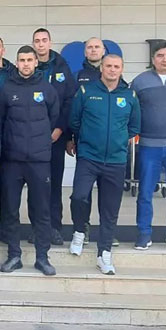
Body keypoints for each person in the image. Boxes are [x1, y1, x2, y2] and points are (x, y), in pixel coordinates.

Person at [69, 55, 140, 274]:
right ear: (101, 68)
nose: (112, 70)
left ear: (122, 69)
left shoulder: (129, 95)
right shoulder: (86, 91)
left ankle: (104, 253)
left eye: (116, 66)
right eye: (108, 66)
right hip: (89, 157)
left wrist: (118, 141)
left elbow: (134, 127)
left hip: (116, 161)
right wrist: (86, 140)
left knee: (110, 209)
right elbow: (74, 120)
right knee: (79, 196)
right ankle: (79, 231)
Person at [0, 46, 59, 276]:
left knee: (41, 210)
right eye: (22, 60)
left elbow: (54, 117)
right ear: (17, 63)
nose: (25, 64)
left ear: (36, 62)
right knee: (10, 209)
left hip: (39, 160)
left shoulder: (47, 88)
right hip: (12, 160)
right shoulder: (7, 89)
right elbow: (0, 121)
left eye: (29, 60)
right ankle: (14, 255)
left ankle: (42, 257)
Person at [132, 40, 166, 252]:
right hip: (148, 145)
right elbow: (131, 109)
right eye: (160, 55)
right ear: (153, 59)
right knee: (145, 192)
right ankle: (144, 233)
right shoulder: (140, 81)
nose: (164, 59)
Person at [32, 28, 77, 245]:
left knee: (54, 184)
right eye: (37, 41)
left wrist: (60, 129)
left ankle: (54, 227)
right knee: (36, 186)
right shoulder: (28, 67)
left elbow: (69, 101)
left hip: (55, 137)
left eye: (44, 40)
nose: (41, 44)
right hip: (32, 139)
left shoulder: (61, 67)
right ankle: (37, 228)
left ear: (50, 42)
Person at [67, 37, 107, 245]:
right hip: (86, 144)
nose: (93, 50)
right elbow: (72, 110)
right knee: (83, 193)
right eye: (89, 47)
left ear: (103, 51)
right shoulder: (77, 77)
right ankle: (83, 228)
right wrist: (71, 138)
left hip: (110, 147)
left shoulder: (113, 74)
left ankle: (107, 232)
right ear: (84, 52)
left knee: (108, 193)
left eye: (96, 47)